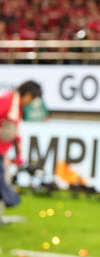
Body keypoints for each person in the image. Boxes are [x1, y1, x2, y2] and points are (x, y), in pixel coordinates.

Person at [0, 80, 42, 222]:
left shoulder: (16, 106)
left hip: (2, 153)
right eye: (32, 99)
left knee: (4, 180)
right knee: (3, 183)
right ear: (28, 95)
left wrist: (14, 155)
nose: (30, 103)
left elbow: (14, 133)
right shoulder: (7, 101)